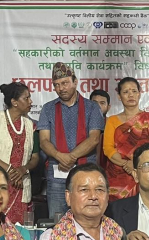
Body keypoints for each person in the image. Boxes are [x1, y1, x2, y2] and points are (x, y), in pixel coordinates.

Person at [38, 62, 106, 218]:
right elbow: (44, 141)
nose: (61, 88)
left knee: (86, 219)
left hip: (86, 174)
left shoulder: (92, 107)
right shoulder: (48, 108)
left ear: (75, 82)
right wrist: (60, 156)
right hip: (57, 175)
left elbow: (94, 139)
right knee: (57, 221)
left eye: (65, 83)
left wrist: (70, 157)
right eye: (56, 85)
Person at [0, 81, 39, 225]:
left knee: (18, 230)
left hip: (20, 185)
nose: (30, 101)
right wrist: (10, 170)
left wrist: (23, 169)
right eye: (26, 98)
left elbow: (35, 157)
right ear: (14, 102)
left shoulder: (31, 125)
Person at [103, 77, 149, 201]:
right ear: (119, 96)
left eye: (134, 91)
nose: (130, 95)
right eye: (126, 92)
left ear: (139, 94)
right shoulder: (112, 121)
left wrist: (135, 165)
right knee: (117, 209)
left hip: (144, 172)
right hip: (117, 175)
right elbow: (108, 148)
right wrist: (126, 164)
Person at [90, 89, 111, 168]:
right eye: (95, 103)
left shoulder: (113, 125)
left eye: (102, 103)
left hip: (108, 169)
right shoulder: (81, 125)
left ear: (108, 107)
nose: (98, 106)